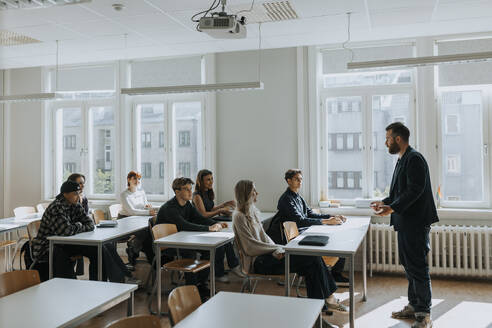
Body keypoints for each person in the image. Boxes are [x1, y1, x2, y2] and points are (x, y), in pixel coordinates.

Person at [232, 179, 348, 315]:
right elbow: (250, 247)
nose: (257, 193)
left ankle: (322, 307)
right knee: (311, 261)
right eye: (253, 191)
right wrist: (276, 249)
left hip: (267, 256)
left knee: (312, 260)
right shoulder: (239, 217)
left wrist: (278, 248)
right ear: (246, 195)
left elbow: (265, 238)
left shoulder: (252, 213)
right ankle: (326, 303)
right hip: (257, 262)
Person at [371, 122, 438, 328]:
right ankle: (413, 306)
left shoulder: (414, 159)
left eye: (388, 138)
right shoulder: (403, 160)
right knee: (409, 266)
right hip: (405, 223)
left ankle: (424, 314)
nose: (385, 142)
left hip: (415, 223)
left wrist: (392, 208)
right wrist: (385, 202)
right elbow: (400, 193)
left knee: (417, 267)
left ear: (398, 139)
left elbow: (414, 190)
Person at [32, 180, 135, 283]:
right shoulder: (56, 207)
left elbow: (90, 224)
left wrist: (76, 227)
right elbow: (66, 231)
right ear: (65, 194)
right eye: (75, 194)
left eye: (79, 193)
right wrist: (80, 225)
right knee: (99, 248)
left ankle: (100, 283)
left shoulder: (75, 204)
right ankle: (120, 280)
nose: (78, 196)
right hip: (49, 246)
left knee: (101, 248)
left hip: (67, 243)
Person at [268, 169, 349, 286]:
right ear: (288, 181)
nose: (300, 182)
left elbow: (310, 214)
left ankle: (334, 274)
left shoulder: (298, 197)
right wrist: (326, 221)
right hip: (298, 238)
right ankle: (331, 274)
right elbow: (299, 221)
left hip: (304, 232)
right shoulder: (286, 199)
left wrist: (332, 216)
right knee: (333, 239)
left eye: (301, 179)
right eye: (297, 179)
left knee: (338, 237)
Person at [156, 177, 227, 299]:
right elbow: (184, 225)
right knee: (190, 252)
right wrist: (208, 229)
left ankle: (200, 285)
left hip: (182, 240)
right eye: (186, 189)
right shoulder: (170, 208)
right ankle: (191, 289)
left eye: (190, 189)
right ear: (177, 191)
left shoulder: (187, 204)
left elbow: (199, 218)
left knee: (213, 250)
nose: (190, 192)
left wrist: (216, 224)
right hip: (168, 245)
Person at [193, 169, 241, 282]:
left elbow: (210, 208)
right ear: (200, 181)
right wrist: (220, 211)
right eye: (208, 180)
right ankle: (223, 271)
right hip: (200, 227)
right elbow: (204, 214)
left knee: (226, 239)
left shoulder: (207, 193)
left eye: (211, 179)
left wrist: (223, 206)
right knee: (221, 241)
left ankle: (230, 266)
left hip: (208, 223)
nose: (211, 182)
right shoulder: (196, 196)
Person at [119, 170, 155, 265]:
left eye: (138, 179)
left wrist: (147, 207)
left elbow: (144, 205)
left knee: (151, 230)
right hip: (125, 220)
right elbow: (132, 211)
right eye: (134, 178)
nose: (137, 181)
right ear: (128, 180)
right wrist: (148, 212)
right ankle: (138, 252)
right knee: (146, 232)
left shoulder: (141, 192)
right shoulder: (124, 195)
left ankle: (134, 250)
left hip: (137, 218)